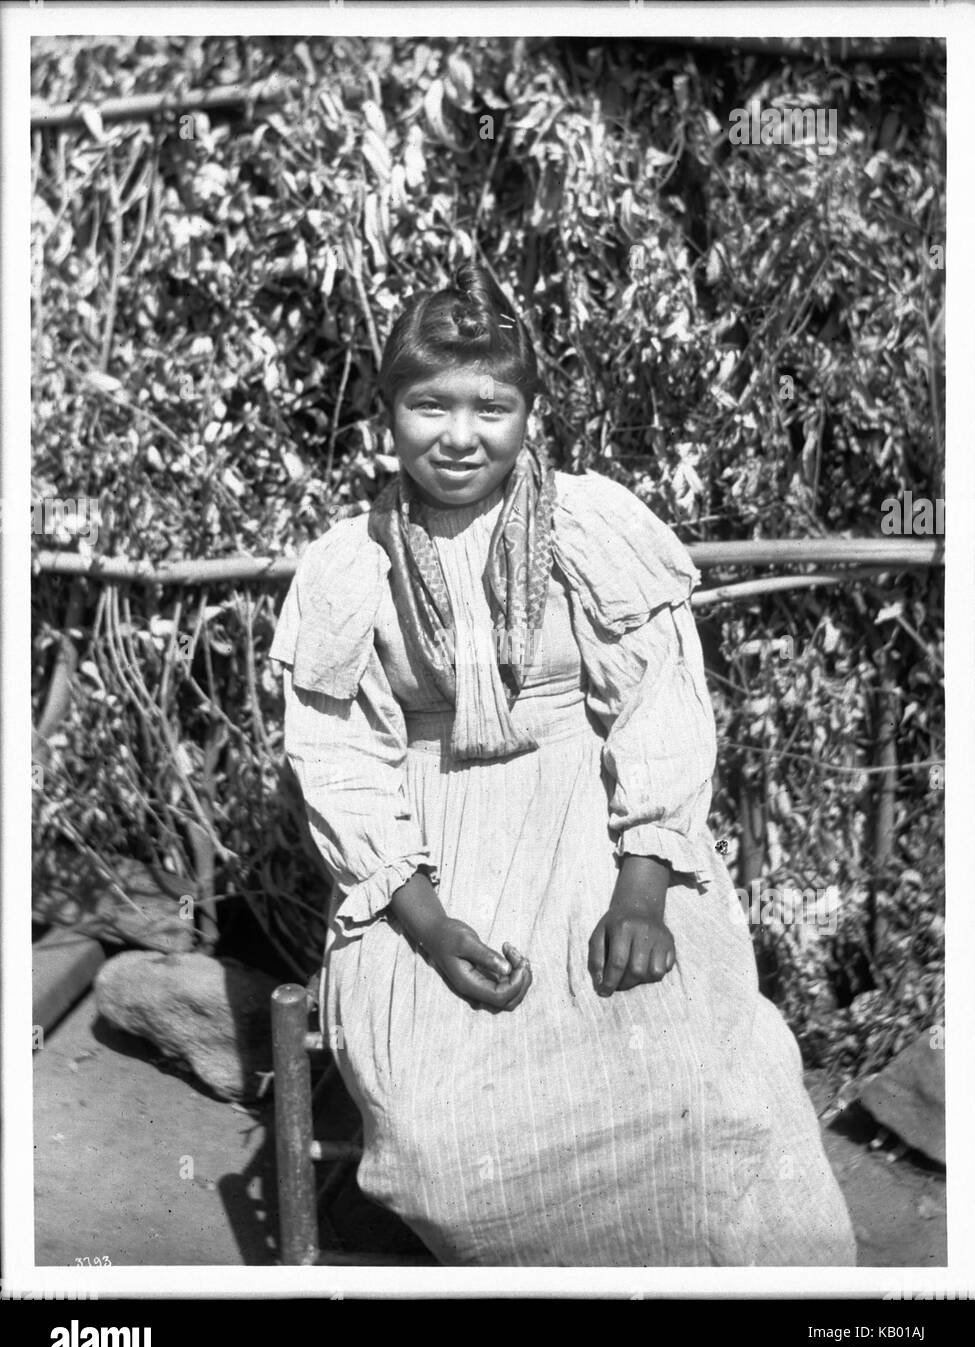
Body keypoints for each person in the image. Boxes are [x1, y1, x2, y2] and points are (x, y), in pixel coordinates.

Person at [269, 264, 857, 1267]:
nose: (460, 435)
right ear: (387, 415)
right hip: (428, 854)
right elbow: (338, 757)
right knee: (444, 1134)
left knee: (706, 1079)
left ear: (531, 413)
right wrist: (427, 922)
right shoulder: (351, 563)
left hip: (595, 827)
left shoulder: (587, 525)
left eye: (491, 407)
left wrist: (640, 896)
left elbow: (656, 706)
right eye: (430, 405)